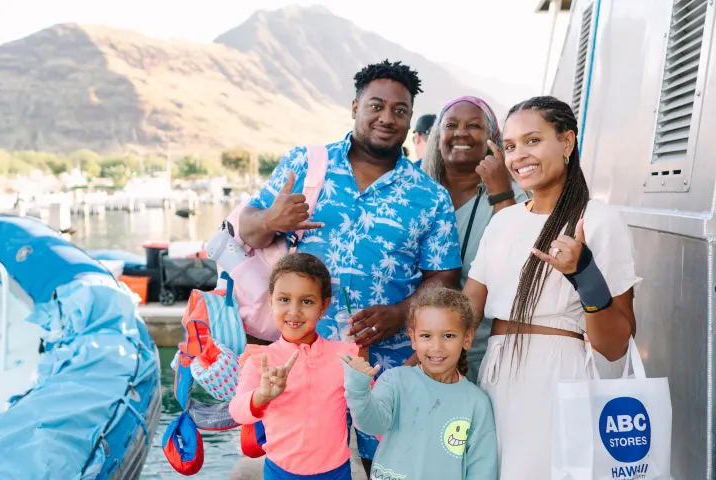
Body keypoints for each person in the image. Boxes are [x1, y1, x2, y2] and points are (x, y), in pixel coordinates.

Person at [238, 60, 462, 472]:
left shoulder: (429, 196)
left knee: (394, 465)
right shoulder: (306, 164)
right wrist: (272, 219)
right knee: (304, 464)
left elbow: (445, 277)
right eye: (376, 105)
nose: (387, 118)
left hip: (386, 365)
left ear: (410, 119)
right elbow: (247, 229)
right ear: (355, 105)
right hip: (303, 362)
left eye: (400, 111)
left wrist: (402, 314)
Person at [463, 96, 640, 479]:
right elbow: (467, 313)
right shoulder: (503, 222)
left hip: (557, 381)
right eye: (510, 146)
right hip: (494, 377)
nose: (518, 155)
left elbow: (615, 347)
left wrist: (584, 273)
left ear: (567, 142)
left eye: (532, 140)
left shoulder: (599, 220)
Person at [420, 96, 528, 380]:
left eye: (474, 125)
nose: (461, 132)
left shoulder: (515, 197)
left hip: (481, 356)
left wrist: (500, 193)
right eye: (451, 124)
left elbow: (520, 267)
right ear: (438, 135)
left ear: (493, 137)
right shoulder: (416, 194)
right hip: (416, 349)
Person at [340, 287, 497, 479]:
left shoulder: (476, 402)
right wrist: (358, 389)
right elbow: (371, 424)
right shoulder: (395, 380)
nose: (436, 347)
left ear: (467, 338)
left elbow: (483, 468)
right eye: (426, 336)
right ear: (413, 338)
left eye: (448, 336)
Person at [229, 253, 358, 479]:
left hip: (336, 472)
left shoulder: (344, 356)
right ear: (271, 301)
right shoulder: (260, 359)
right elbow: (238, 411)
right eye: (284, 299)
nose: (294, 311)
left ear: (323, 306)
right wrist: (261, 396)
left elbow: (371, 413)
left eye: (306, 301)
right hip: (280, 472)